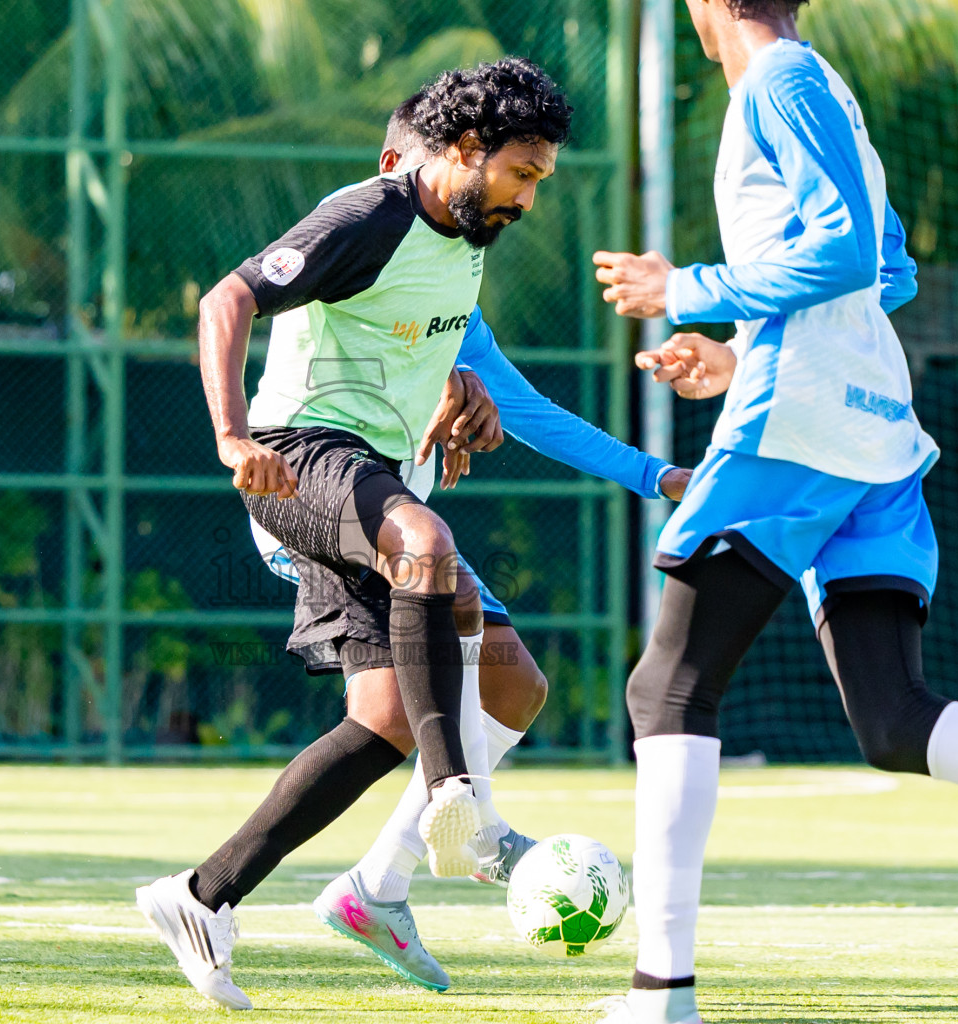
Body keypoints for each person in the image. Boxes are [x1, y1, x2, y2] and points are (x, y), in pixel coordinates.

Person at [591, 1, 958, 1022]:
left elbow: (845, 256)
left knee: (669, 688)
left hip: (798, 426)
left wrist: (689, 287)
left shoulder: (777, 82)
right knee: (892, 717)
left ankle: (661, 994)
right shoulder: (825, 85)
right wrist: (740, 347)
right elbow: (890, 268)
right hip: (872, 428)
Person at [136, 57, 574, 1010]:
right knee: (425, 543)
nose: (530, 197)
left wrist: (469, 397)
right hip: (298, 458)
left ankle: (202, 896)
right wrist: (230, 436)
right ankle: (462, 804)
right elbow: (227, 298)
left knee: (411, 712)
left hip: (368, 474)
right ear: (464, 151)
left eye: (540, 179)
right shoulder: (370, 214)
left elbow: (403, 336)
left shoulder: (468, 229)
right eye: (522, 175)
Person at [249, 95, 690, 993]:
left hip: (394, 514)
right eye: (519, 176)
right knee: (392, 716)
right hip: (317, 500)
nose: (521, 199)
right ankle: (450, 831)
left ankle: (386, 876)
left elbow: (526, 410)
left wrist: (658, 476)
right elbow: (257, 320)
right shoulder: (362, 236)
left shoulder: (452, 274)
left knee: (512, 684)